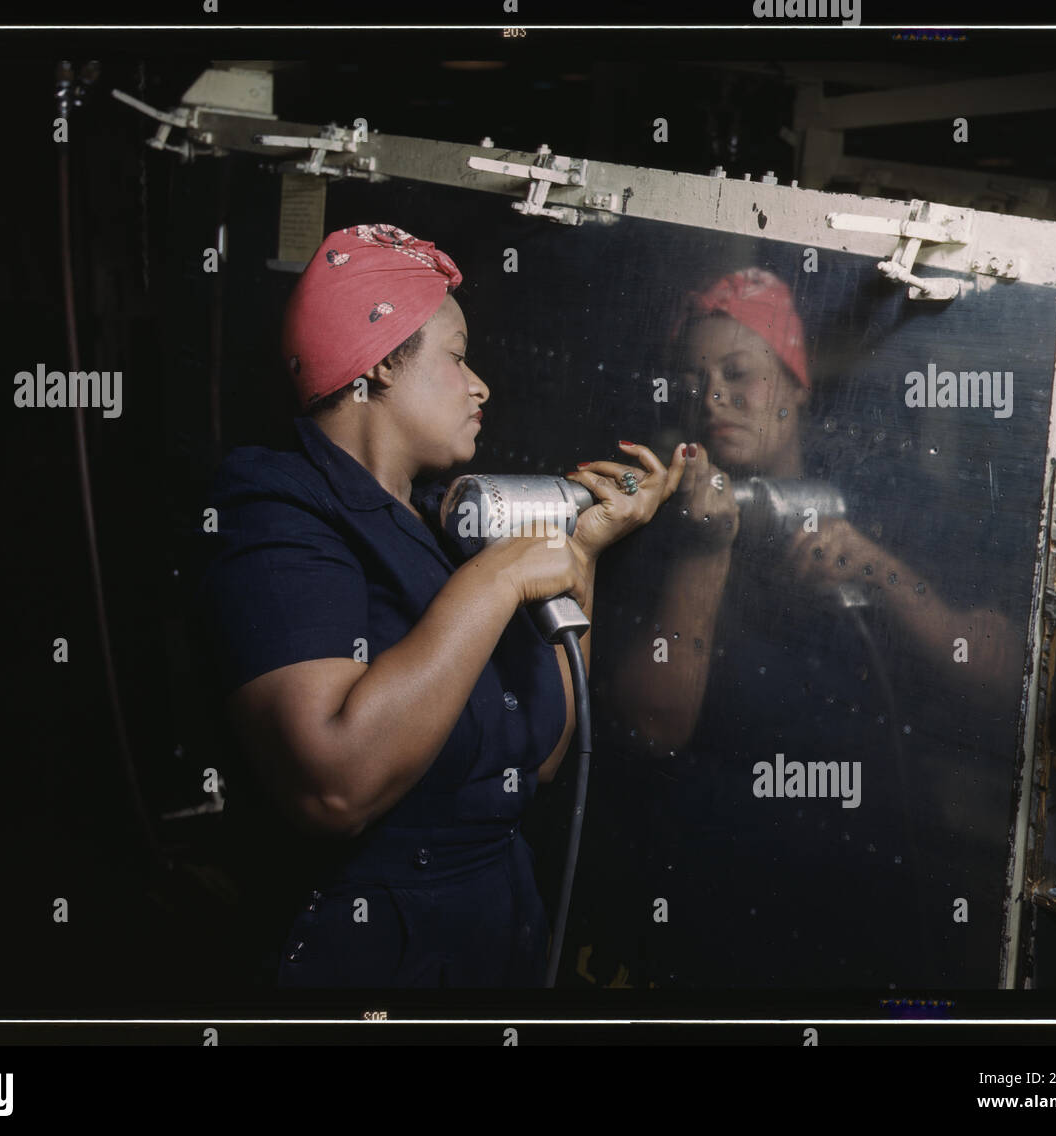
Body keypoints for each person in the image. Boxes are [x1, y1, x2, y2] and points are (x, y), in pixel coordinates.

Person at [195, 222, 688, 988]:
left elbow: (547, 755)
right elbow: (333, 787)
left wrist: (581, 554)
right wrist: (495, 581)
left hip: (495, 931)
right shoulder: (276, 510)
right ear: (383, 364)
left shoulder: (433, 524)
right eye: (457, 358)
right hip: (366, 958)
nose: (479, 384)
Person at [591, 267, 1024, 988]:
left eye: (740, 373)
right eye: (693, 379)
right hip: (721, 902)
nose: (714, 397)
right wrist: (706, 549)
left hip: (878, 889)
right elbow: (650, 723)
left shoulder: (884, 494)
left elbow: (1006, 680)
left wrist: (882, 574)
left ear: (797, 385)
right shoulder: (658, 527)